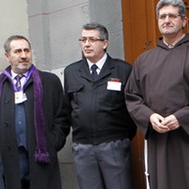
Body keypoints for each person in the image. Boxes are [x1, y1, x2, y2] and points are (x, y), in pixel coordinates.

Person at [125, 0, 189, 189]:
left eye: (172, 16)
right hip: (160, 141)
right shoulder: (144, 60)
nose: (166, 20)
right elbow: (132, 97)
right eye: (162, 16)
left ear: (184, 21)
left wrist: (182, 118)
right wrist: (150, 117)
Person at [63, 22, 136, 189]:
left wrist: (121, 138)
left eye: (92, 39)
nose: (86, 44)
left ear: (105, 43)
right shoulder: (71, 72)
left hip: (114, 144)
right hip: (83, 147)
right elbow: (67, 109)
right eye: (83, 40)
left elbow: (131, 109)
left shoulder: (122, 69)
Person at [0, 35, 69, 188]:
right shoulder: (1, 84)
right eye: (17, 51)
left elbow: (62, 117)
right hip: (9, 159)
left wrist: (52, 142)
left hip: (40, 156)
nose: (24, 55)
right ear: (7, 56)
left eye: (27, 50)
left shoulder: (49, 81)